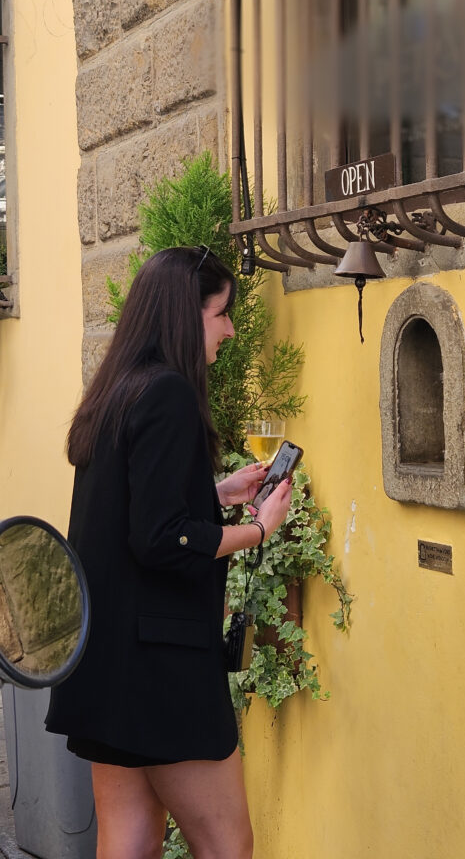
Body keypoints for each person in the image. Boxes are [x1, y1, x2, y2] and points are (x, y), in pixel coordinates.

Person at [46, 245, 293, 859]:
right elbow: (160, 540)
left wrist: (217, 493)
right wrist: (258, 527)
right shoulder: (170, 395)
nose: (230, 329)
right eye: (220, 314)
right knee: (227, 844)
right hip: (161, 669)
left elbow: (129, 514)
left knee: (128, 842)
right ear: (186, 316)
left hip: (104, 661)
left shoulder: (115, 393)